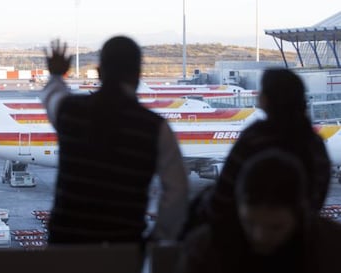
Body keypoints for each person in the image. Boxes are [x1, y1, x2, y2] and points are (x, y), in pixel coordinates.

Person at [42, 37, 189, 244]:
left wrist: (56, 74)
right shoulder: (155, 127)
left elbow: (52, 95)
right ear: (138, 75)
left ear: (99, 72)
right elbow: (177, 191)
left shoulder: (69, 111)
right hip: (123, 248)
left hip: (67, 245)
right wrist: (160, 237)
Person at [180, 68, 331, 239]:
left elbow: (224, 193)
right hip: (303, 234)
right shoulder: (315, 143)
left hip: (251, 234)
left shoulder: (253, 138)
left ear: (264, 100)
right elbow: (319, 194)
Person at [177, 148, 341, 273]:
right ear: (237, 208)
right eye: (249, 223)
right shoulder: (207, 248)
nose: (261, 237)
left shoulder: (328, 247)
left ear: (302, 212)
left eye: (275, 226)